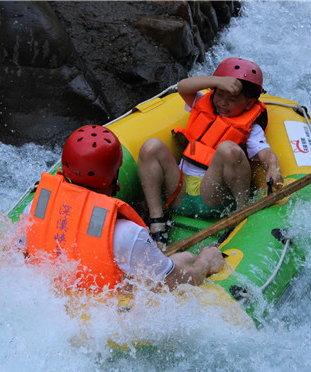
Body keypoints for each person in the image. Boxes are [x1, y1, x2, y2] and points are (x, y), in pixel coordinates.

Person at [21, 124, 225, 293]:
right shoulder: (127, 234)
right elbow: (177, 282)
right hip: (105, 318)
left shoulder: (35, 206)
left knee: (184, 257)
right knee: (190, 260)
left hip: (50, 302)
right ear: (114, 178)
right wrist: (205, 263)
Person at [138, 57, 283, 248]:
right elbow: (182, 86)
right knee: (151, 146)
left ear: (248, 104)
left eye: (231, 99)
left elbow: (266, 154)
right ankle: (157, 223)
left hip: (212, 196)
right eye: (219, 95)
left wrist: (273, 168)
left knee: (227, 148)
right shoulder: (201, 102)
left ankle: (239, 218)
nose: (223, 103)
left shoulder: (251, 127)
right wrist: (217, 81)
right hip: (178, 192)